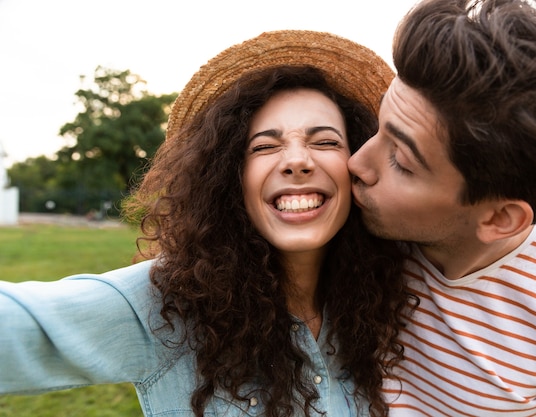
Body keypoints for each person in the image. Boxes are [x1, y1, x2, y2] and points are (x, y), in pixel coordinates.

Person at [0, 30, 409, 417]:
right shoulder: (164, 308)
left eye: (325, 142)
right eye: (264, 146)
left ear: (359, 165)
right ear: (229, 177)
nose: (298, 160)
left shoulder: (396, 297)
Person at [348, 0, 536, 415]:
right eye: (378, 127)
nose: (356, 163)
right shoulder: (350, 224)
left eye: (401, 162)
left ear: (499, 219)